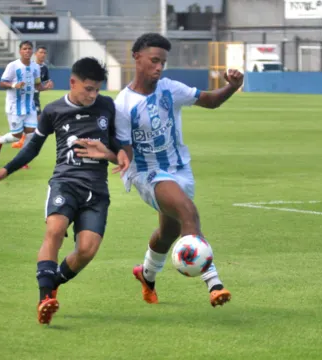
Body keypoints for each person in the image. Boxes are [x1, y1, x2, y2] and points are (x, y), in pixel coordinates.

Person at [0, 57, 130, 325]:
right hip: (65, 181)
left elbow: (117, 142)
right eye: (88, 88)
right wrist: (6, 170)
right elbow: (32, 147)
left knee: (87, 250)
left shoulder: (107, 106)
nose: (93, 95)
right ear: (72, 82)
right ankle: (44, 299)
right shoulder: (53, 110)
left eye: (97, 89)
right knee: (54, 231)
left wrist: (117, 153)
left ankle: (53, 283)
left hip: (96, 190)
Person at [111, 33, 242, 307]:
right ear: (137, 57)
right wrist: (116, 157)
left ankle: (146, 275)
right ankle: (214, 283)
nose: (159, 67)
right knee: (187, 211)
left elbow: (210, 100)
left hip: (179, 168)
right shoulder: (122, 105)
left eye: (163, 62)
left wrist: (232, 87)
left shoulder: (169, 88)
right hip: (147, 172)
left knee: (169, 233)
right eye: (154, 60)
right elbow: (126, 148)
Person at [0, 41, 47, 161]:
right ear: (20, 51)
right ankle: (0, 140)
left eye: (29, 49)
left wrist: (45, 87)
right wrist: (14, 85)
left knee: (31, 132)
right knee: (17, 136)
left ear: (32, 51)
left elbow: (37, 85)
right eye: (24, 49)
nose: (27, 51)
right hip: (15, 106)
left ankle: (22, 159)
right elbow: (2, 83)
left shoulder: (35, 67)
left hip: (30, 105)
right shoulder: (13, 66)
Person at [13, 45, 54, 149]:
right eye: (41, 52)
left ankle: (21, 140)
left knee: (34, 122)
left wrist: (48, 85)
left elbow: (43, 84)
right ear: (36, 54)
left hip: (36, 97)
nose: (43, 55)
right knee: (36, 122)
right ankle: (23, 142)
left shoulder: (44, 68)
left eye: (44, 53)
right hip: (27, 97)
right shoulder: (30, 66)